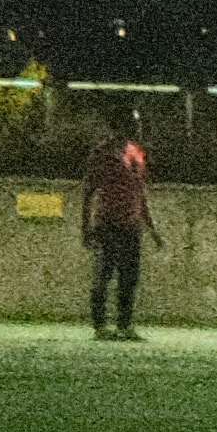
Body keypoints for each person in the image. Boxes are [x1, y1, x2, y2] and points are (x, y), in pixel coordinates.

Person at [72, 116, 153, 341]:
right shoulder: (101, 154)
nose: (136, 127)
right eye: (132, 123)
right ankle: (100, 325)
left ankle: (124, 324)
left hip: (131, 224)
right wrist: (85, 227)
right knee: (103, 274)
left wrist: (149, 226)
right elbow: (88, 191)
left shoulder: (136, 153)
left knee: (129, 277)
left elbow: (140, 192)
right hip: (107, 223)